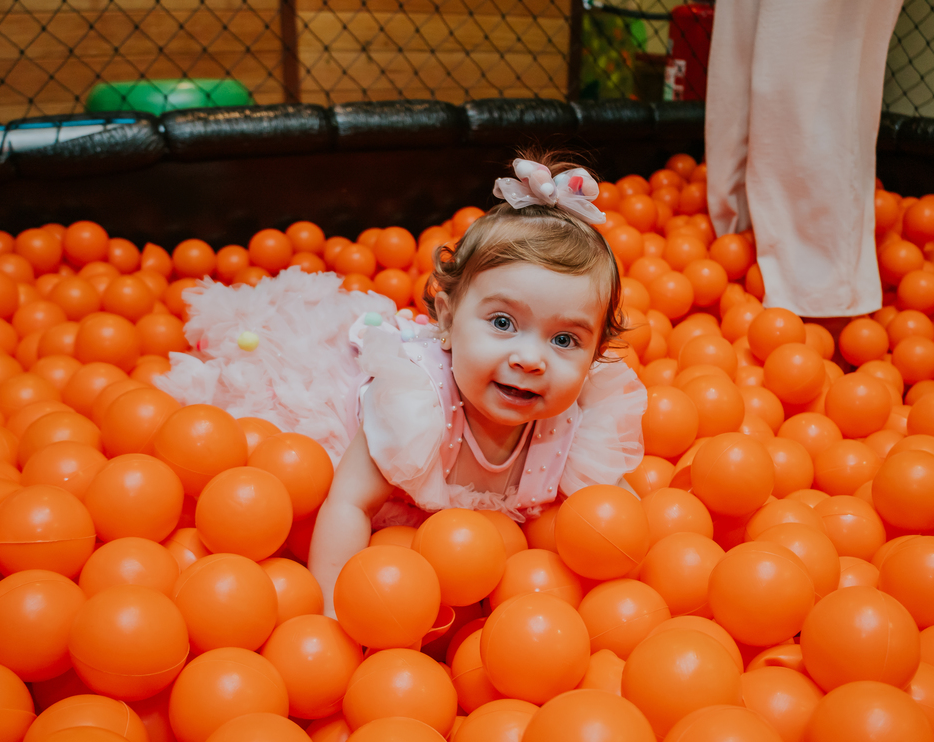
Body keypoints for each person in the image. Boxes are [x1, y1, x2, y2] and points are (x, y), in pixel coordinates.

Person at [157, 153, 647, 615]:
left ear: (595, 357)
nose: (530, 358)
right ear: (449, 322)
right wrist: (334, 614)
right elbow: (348, 504)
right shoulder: (413, 405)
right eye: (502, 323)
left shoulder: (580, 426)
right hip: (346, 419)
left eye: (564, 339)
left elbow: (615, 515)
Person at [704, 0, 904, 318]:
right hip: (727, 270)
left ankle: (817, 291)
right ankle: (742, 231)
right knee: (756, 34)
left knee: (818, 46)